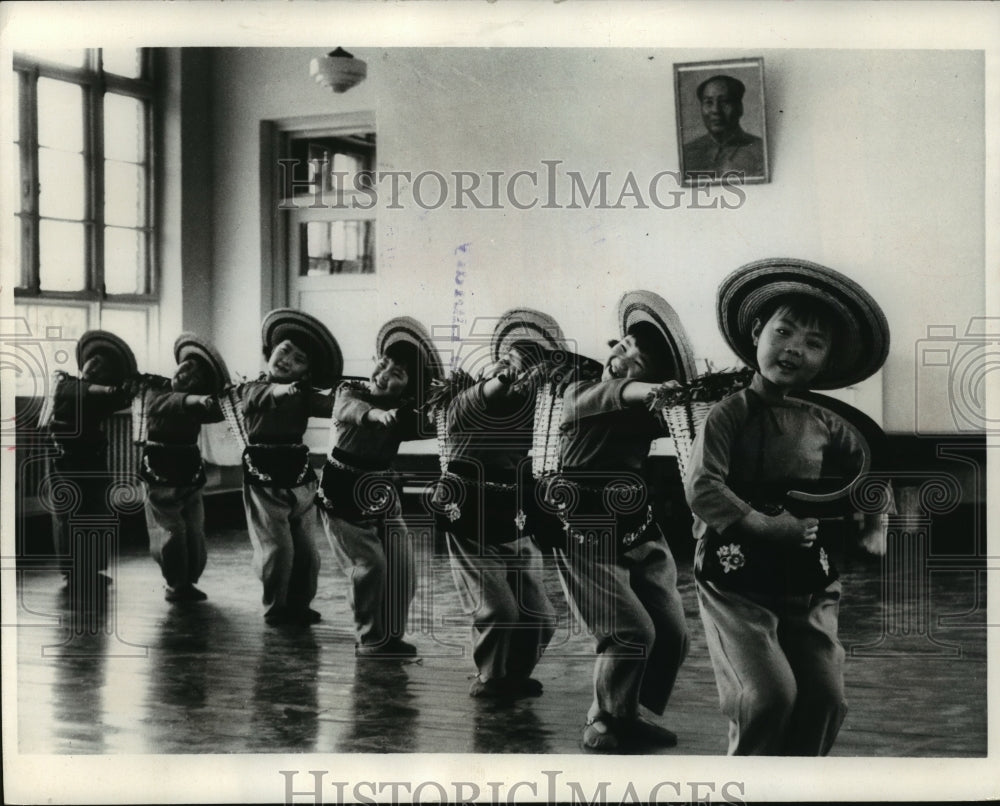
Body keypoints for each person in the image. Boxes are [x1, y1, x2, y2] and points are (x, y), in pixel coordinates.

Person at [686, 257, 891, 755]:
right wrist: (760, 523)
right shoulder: (725, 414)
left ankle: (798, 783)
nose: (794, 349)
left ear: (827, 361)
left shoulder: (827, 421)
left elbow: (871, 467)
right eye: (784, 331)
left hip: (807, 575)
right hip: (735, 578)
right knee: (768, 697)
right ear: (758, 331)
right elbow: (702, 487)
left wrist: (875, 520)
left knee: (824, 698)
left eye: (813, 343)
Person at [543, 291, 693, 753]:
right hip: (584, 531)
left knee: (671, 633)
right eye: (622, 346)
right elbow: (622, 392)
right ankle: (605, 722)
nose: (621, 358)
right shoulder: (580, 394)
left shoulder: (647, 410)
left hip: (636, 524)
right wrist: (654, 388)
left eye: (637, 357)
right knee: (630, 632)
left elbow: (675, 417)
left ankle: (628, 712)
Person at [433, 309, 567, 698]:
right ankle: (490, 676)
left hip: (513, 514)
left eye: (524, 366)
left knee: (540, 616)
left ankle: (515, 674)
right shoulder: (465, 402)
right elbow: (492, 389)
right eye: (504, 362)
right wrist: (506, 375)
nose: (512, 372)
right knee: (498, 610)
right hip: (469, 517)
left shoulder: (531, 416)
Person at [319, 316, 439, 657]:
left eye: (397, 374)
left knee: (403, 568)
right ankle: (371, 638)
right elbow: (350, 410)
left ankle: (392, 636)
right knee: (370, 566)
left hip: (382, 495)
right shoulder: (349, 391)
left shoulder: (404, 412)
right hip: (343, 495)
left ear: (409, 386)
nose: (384, 375)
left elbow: (430, 426)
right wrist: (376, 415)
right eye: (384, 364)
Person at [230, 308, 340, 627]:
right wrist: (286, 389)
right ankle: (275, 606)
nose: (287, 359)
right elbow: (267, 395)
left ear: (306, 373)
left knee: (307, 553)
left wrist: (359, 397)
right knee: (277, 549)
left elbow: (336, 407)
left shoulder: (304, 395)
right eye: (284, 350)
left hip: (300, 476)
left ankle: (300, 604)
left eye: (298, 359)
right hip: (263, 479)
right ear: (271, 351)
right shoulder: (250, 389)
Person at [41, 330, 137, 589]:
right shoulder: (66, 383)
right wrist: (112, 387)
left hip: (92, 458)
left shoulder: (101, 396)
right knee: (69, 512)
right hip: (64, 460)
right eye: (92, 361)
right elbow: (88, 390)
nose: (94, 367)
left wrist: (132, 386)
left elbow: (119, 398)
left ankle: (92, 569)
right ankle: (73, 572)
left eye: (102, 366)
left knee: (96, 511)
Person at [137, 333, 228, 603]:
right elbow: (166, 404)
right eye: (185, 367)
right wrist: (196, 400)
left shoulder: (201, 402)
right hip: (160, 471)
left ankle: (188, 578)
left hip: (189, 470)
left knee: (195, 528)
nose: (186, 375)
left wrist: (231, 398)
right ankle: (176, 582)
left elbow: (217, 411)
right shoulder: (156, 390)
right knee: (171, 528)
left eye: (195, 376)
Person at [682, 74, 765, 181]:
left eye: (725, 102)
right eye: (708, 102)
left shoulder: (761, 151)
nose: (716, 110)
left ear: (739, 108)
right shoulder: (687, 153)